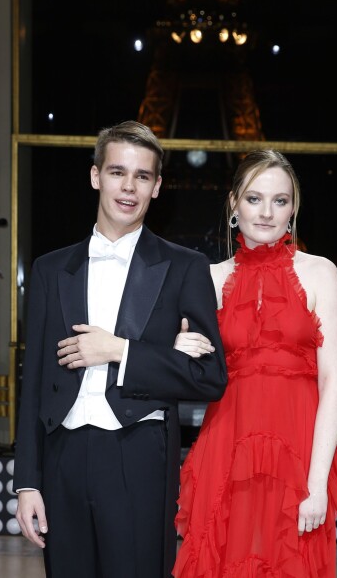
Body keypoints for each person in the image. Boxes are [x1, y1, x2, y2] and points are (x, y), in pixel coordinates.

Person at [13, 120, 227, 578]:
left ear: (157, 187)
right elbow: (32, 381)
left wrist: (122, 351)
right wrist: (27, 482)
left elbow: (210, 377)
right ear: (95, 176)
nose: (128, 187)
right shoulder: (51, 270)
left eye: (142, 176)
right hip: (62, 456)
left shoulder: (185, 268)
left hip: (139, 455)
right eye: (117, 172)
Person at [172, 150, 337, 577]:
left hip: (298, 453)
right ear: (234, 204)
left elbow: (333, 384)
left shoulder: (321, 273)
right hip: (226, 447)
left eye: (280, 200)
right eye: (254, 199)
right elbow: (188, 373)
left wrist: (317, 482)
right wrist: (179, 345)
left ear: (294, 207)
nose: (267, 212)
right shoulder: (209, 278)